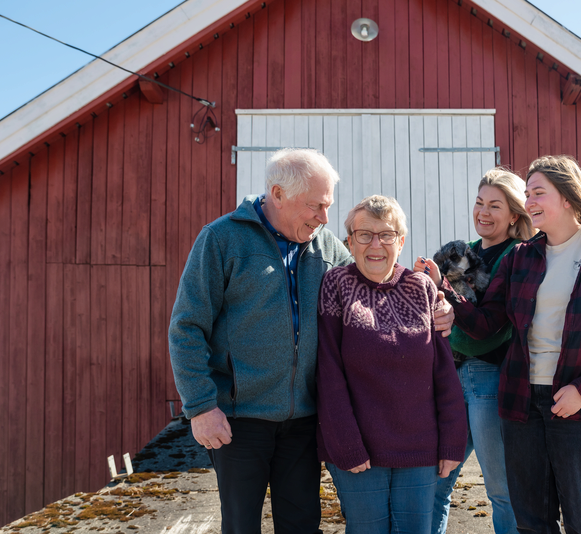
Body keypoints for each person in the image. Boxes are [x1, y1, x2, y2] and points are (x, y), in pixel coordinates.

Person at [168, 149, 455, 534]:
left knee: (302, 524)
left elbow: (375, 274)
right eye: (316, 206)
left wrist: (434, 298)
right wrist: (201, 406)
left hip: (303, 418)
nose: (324, 218)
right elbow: (187, 326)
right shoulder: (222, 239)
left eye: (328, 206)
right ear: (278, 194)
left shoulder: (325, 246)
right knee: (240, 525)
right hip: (240, 417)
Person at [420, 155, 581, 534]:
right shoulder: (522, 256)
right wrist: (447, 295)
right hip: (521, 402)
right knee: (531, 523)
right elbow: (488, 321)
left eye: (538, 193)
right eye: (528, 193)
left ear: (568, 198)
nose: (530, 201)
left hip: (580, 407)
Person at [316, 195, 468, 534]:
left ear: (401, 242)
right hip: (360, 451)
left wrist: (453, 440)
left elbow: (443, 372)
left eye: (386, 234)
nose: (376, 244)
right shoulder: (336, 284)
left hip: (420, 447)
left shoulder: (422, 288)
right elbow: (328, 372)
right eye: (365, 234)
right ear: (350, 242)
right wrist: (346, 444)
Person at [416, 168, 535, 534]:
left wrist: (442, 290)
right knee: (435, 483)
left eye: (495, 205)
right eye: (480, 202)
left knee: (501, 489)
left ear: (514, 214)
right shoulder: (463, 252)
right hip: (452, 377)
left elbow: (488, 329)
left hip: (490, 378)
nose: (483, 211)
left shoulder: (517, 256)